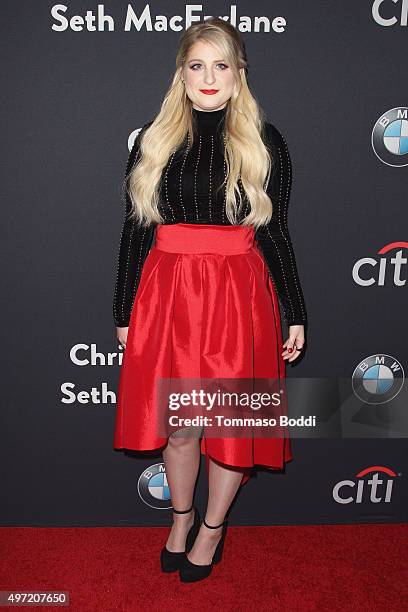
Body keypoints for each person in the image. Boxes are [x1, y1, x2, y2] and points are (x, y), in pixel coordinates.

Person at [112, 17, 307, 583]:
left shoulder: (264, 141)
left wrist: (296, 311)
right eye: (196, 65)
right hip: (168, 294)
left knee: (228, 423)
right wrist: (124, 311)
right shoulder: (154, 138)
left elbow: (276, 232)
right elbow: (133, 231)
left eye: (221, 65)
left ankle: (213, 530)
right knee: (179, 423)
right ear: (181, 72)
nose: (209, 77)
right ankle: (180, 518)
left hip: (237, 295)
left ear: (239, 73)